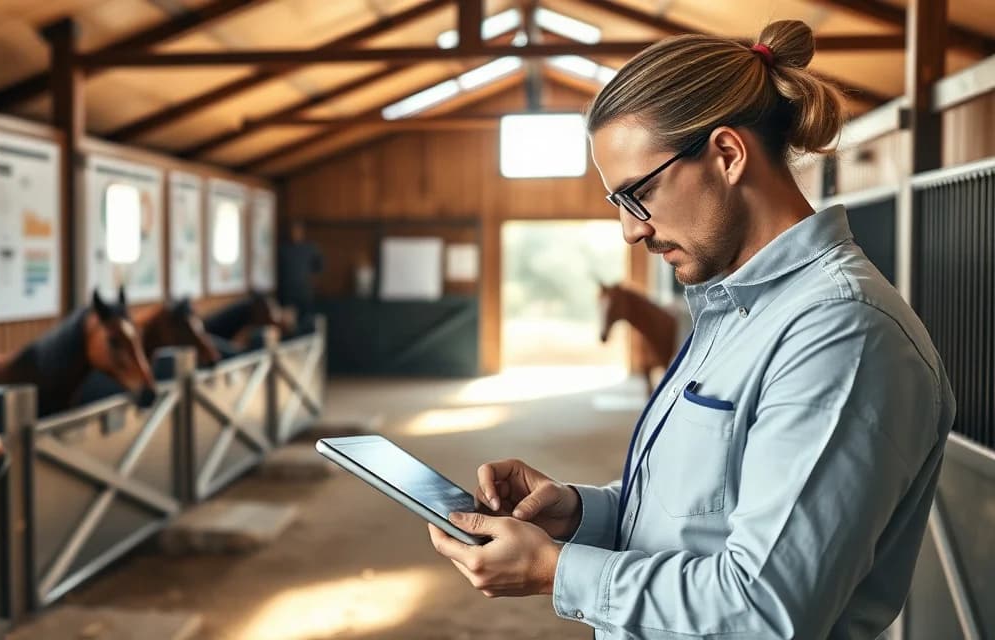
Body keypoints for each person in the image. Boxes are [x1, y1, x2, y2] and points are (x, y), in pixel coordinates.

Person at [426, 20, 955, 639]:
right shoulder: (731, 308)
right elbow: (699, 518)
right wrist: (578, 514)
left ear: (728, 155)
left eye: (638, 193)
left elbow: (763, 609)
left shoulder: (841, 333)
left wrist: (556, 571)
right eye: (619, 205)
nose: (631, 230)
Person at [276, 219, 322, 335]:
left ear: (302, 232)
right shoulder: (283, 249)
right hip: (288, 295)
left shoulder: (310, 248)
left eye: (297, 231)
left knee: (307, 325)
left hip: (304, 294)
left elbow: (319, 267)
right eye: (292, 231)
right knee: (289, 328)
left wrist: (312, 282)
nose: (295, 233)